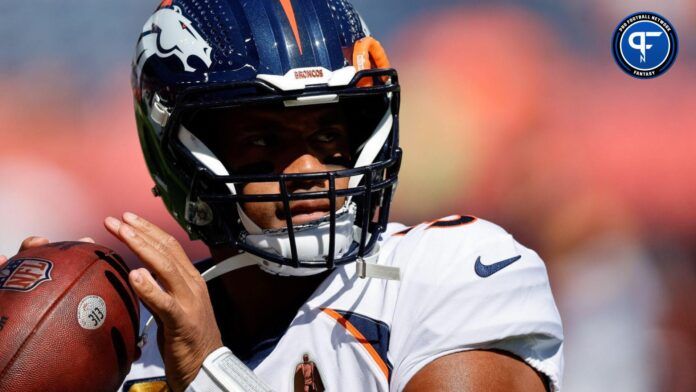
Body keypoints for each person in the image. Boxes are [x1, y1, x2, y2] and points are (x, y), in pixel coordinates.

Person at [3, 0, 563, 391]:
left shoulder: (447, 274)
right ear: (179, 155)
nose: (309, 170)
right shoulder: (128, 340)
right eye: (262, 140)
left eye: (328, 135)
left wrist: (208, 371)